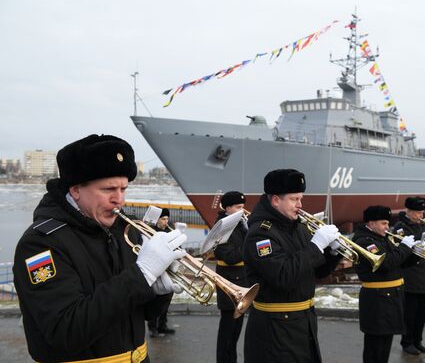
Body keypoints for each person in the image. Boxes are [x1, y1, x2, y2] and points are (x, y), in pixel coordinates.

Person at [13, 134, 187, 363]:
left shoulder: (124, 230)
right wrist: (141, 274)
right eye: (108, 189)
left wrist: (158, 292)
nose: (119, 200)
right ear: (75, 190)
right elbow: (65, 332)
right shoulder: (40, 243)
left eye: (123, 189)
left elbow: (142, 313)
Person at [243, 168, 342, 363]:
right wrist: (316, 246)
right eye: (294, 199)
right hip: (275, 329)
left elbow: (318, 271)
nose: (300, 205)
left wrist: (333, 252)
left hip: (303, 323)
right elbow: (283, 276)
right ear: (275, 200)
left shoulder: (298, 226)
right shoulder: (261, 234)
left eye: (301, 198)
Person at [352, 205, 421, 363]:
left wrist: (415, 253)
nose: (387, 227)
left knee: (385, 346)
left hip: (389, 297)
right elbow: (387, 263)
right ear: (371, 223)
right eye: (383, 223)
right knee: (375, 347)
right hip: (377, 299)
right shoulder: (365, 241)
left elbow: (399, 263)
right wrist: (404, 247)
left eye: (387, 223)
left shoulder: (381, 238)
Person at [392, 196, 425, 355]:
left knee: (421, 314)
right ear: (408, 211)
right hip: (410, 277)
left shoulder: (421, 225)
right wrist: (424, 234)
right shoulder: (400, 227)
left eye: (422, 212)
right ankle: (407, 342)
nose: (421, 215)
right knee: (410, 314)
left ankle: (417, 341)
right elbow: (407, 247)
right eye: (417, 212)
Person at [214, 191, 249, 363]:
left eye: (243, 207)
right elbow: (228, 256)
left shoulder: (241, 225)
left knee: (236, 332)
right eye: (238, 207)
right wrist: (249, 247)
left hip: (242, 280)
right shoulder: (221, 227)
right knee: (227, 331)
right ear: (227, 208)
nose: (243, 211)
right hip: (228, 281)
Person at [147, 208, 176, 337]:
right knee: (154, 299)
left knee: (167, 298)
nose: (166, 222)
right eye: (163, 219)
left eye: (167, 219)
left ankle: (162, 325)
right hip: (154, 269)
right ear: (157, 219)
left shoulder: (170, 232)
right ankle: (153, 327)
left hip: (167, 269)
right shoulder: (149, 232)